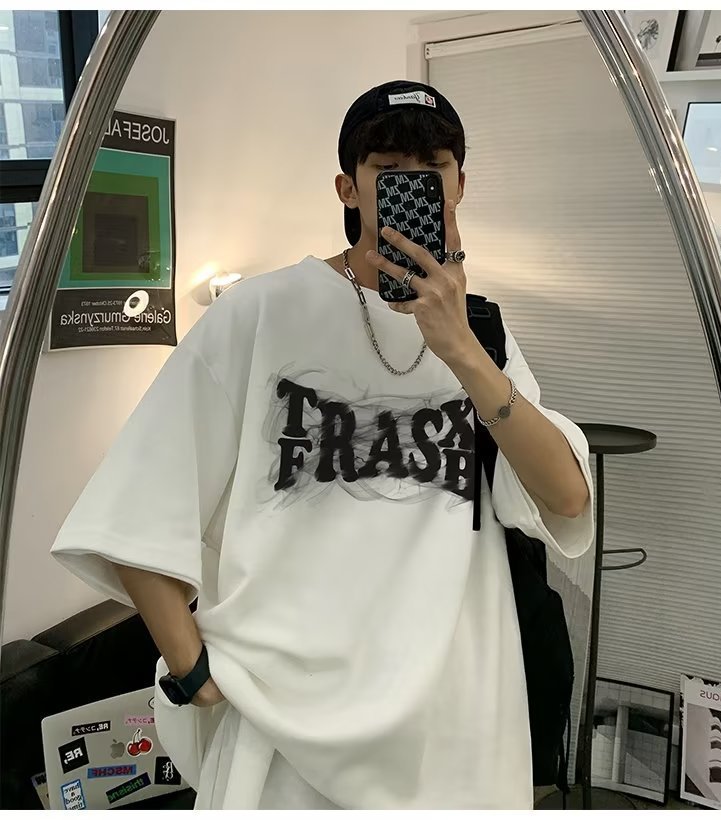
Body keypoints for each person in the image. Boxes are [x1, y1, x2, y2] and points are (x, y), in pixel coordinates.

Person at [51, 80, 594, 810]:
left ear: (460, 184)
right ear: (348, 187)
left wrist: (461, 350)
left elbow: (566, 497)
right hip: (282, 735)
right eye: (388, 169)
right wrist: (192, 672)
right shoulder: (260, 314)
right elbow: (132, 509)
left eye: (434, 167)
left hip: (454, 727)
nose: (415, 184)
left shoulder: (482, 335)